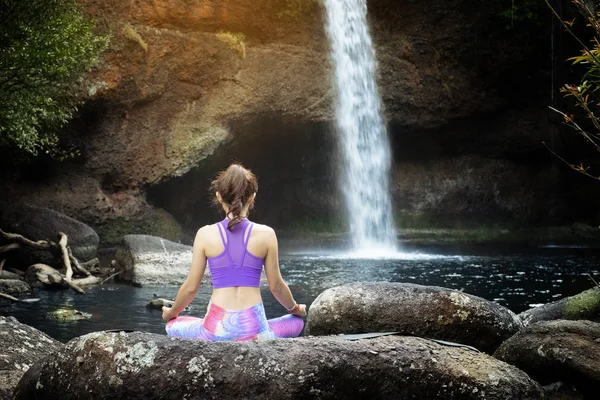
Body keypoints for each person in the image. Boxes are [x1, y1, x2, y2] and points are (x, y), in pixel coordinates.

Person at [162, 163, 307, 341]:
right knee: (297, 321)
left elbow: (191, 287)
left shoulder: (204, 234)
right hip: (255, 332)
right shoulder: (267, 234)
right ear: (252, 197)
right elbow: (276, 286)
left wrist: (171, 313)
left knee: (172, 325)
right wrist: (295, 309)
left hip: (216, 331)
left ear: (219, 197)